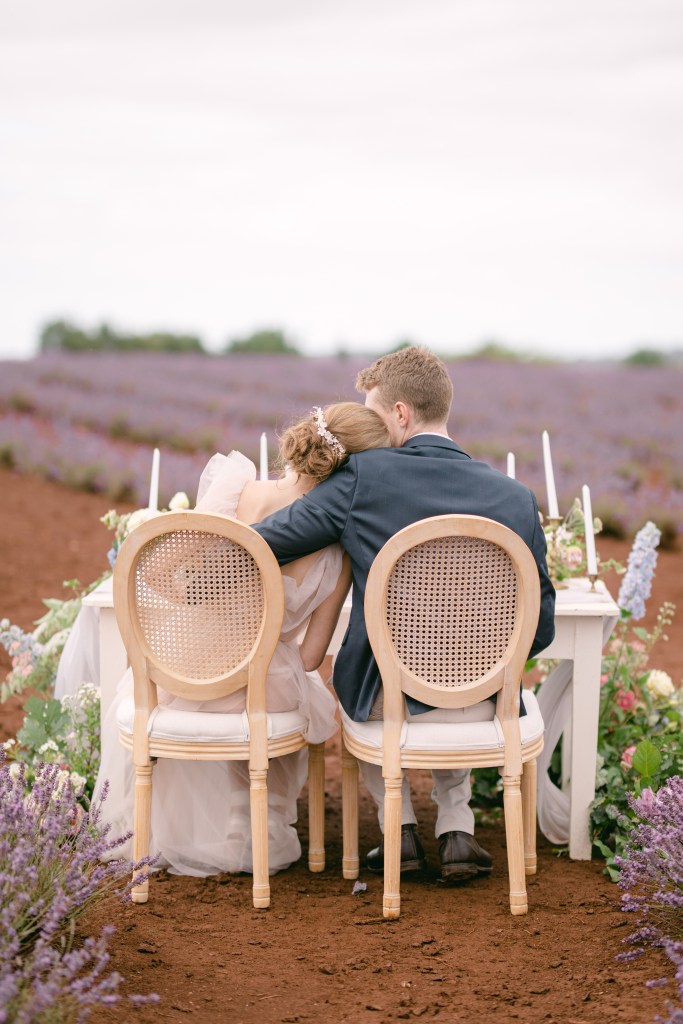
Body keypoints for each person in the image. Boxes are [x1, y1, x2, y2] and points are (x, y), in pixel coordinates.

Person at [254, 346, 556, 881]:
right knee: (453, 668)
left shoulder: (362, 477)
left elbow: (263, 544)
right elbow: (542, 627)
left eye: (373, 413)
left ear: (400, 413)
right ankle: (456, 830)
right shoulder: (516, 498)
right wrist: (475, 661)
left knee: (361, 675)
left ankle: (400, 831)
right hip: (485, 701)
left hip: (385, 704)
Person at [91, 402, 390, 875]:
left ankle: (166, 830)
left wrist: (193, 603)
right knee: (295, 691)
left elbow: (151, 568)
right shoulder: (340, 548)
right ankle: (249, 827)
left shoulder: (237, 489)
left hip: (180, 672)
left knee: (250, 690)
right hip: (260, 683)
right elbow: (312, 656)